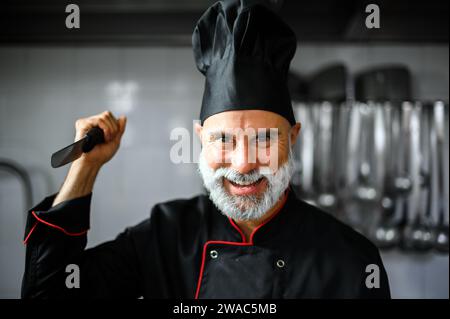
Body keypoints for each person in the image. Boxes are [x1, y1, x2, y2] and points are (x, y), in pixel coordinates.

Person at [21, 0, 390, 299]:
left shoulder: (352, 260)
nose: (244, 164)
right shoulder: (166, 238)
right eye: (224, 139)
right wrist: (85, 167)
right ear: (200, 137)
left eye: (263, 139)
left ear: (291, 138)